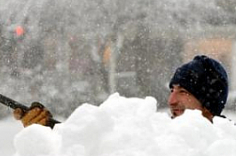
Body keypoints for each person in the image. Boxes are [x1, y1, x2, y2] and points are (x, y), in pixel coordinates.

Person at [14, 55, 229, 128]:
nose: (171, 100)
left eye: (183, 92)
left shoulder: (226, 154)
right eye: (172, 90)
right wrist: (50, 132)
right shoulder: (155, 137)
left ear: (208, 100)